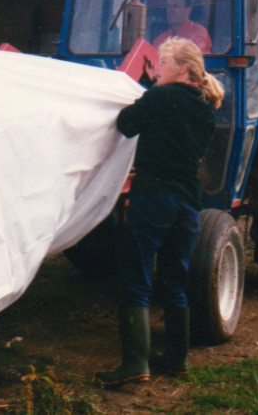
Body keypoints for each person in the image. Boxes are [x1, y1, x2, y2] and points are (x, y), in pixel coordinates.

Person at [95, 37, 224, 388]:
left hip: (153, 198)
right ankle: (177, 360)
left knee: (136, 277)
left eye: (162, 64)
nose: (157, 70)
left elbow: (126, 123)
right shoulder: (206, 109)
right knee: (174, 281)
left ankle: (135, 363)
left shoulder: (161, 97)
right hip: (188, 204)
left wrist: (148, 89)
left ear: (182, 68)